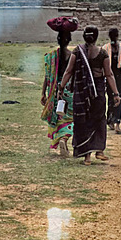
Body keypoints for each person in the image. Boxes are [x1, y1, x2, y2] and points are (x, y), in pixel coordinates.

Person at [58, 26, 121, 165]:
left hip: (81, 93)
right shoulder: (102, 54)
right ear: (97, 37)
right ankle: (99, 151)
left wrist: (61, 87)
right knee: (99, 119)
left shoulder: (77, 51)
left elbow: (69, 71)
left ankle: (87, 157)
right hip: (97, 92)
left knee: (83, 121)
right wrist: (116, 93)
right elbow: (109, 74)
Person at [40, 17, 78, 156]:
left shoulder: (51, 56)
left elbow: (47, 76)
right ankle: (64, 138)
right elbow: (73, 74)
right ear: (69, 40)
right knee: (71, 118)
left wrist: (43, 93)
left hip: (55, 91)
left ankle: (61, 139)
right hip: (68, 90)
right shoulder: (73, 55)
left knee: (58, 117)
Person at [104, 27, 121, 134]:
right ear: (117, 35)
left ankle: (116, 123)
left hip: (117, 77)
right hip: (113, 77)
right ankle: (112, 121)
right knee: (113, 99)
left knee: (116, 99)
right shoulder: (106, 48)